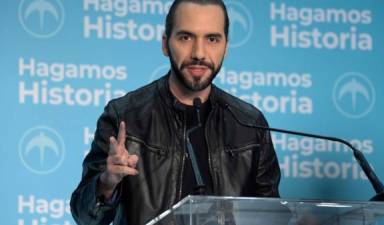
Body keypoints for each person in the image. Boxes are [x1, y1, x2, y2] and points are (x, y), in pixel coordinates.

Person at [70, 0, 281, 224]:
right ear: (165, 44)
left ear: (225, 47)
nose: (199, 53)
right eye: (185, 37)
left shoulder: (249, 124)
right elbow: (85, 217)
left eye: (212, 39)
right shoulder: (124, 116)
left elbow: (273, 216)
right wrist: (107, 183)